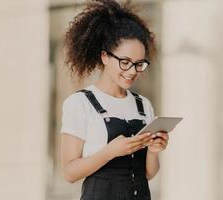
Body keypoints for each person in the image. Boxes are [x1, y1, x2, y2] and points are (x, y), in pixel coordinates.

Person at [60, 0, 169, 199]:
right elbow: (69, 173)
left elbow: (148, 174)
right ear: (105, 57)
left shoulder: (143, 105)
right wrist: (110, 152)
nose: (132, 71)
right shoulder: (79, 103)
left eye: (139, 64)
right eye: (125, 62)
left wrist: (153, 150)